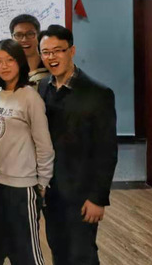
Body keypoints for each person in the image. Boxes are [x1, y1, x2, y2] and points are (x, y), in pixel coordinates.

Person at [38, 25, 118, 265]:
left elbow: (107, 150)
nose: (51, 57)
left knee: (82, 255)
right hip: (52, 190)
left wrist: (98, 198)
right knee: (58, 248)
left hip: (82, 193)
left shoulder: (98, 93)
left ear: (71, 51)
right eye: (46, 52)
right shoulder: (43, 86)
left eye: (58, 50)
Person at [0, 39, 54, 265]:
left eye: (10, 60)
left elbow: (44, 144)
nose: (4, 66)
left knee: (27, 251)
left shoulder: (30, 96)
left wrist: (42, 182)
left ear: (20, 62)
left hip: (23, 185)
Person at [9, 14, 49, 84]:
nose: (24, 40)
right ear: (12, 38)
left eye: (30, 34)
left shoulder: (49, 64)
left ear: (38, 35)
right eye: (18, 35)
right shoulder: (10, 69)